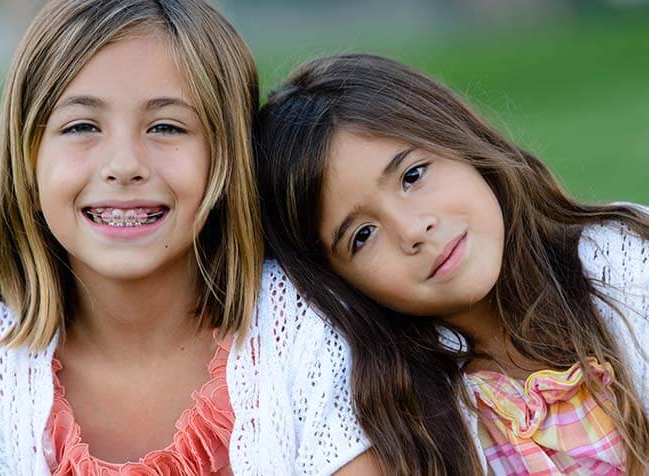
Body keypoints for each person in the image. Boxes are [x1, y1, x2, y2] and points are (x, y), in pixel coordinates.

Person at [0, 2, 373, 474]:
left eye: (166, 126)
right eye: (81, 126)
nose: (124, 165)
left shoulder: (308, 327)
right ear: (27, 157)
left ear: (228, 157)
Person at [256, 53, 649, 475]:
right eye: (362, 236)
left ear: (458, 139)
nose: (413, 231)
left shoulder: (621, 262)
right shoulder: (401, 414)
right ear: (340, 283)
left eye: (412, 176)